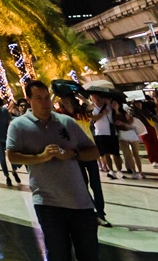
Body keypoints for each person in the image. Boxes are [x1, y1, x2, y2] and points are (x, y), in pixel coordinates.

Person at [6, 79, 101, 261]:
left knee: (89, 254)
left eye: (46, 98)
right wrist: (40, 157)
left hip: (80, 202)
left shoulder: (66, 122)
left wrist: (72, 154)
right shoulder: (19, 126)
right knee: (58, 254)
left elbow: (94, 151)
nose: (45, 103)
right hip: (48, 203)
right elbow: (12, 156)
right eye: (39, 98)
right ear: (29, 100)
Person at [57, 93, 110, 228]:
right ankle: (92, 211)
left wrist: (80, 96)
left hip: (90, 151)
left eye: (68, 101)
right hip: (76, 153)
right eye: (63, 102)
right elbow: (51, 108)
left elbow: (90, 105)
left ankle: (100, 213)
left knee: (96, 185)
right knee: (83, 185)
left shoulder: (83, 114)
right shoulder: (63, 117)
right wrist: (54, 95)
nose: (66, 103)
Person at [90, 94, 122, 179]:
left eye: (99, 97)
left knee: (116, 153)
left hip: (112, 132)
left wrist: (116, 108)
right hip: (100, 133)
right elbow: (92, 119)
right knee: (106, 153)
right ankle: (111, 170)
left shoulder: (109, 106)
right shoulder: (91, 108)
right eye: (95, 97)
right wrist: (102, 114)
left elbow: (117, 116)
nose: (97, 99)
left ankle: (119, 170)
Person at [113, 103, 145, 179]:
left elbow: (131, 124)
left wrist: (123, 123)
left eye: (115, 103)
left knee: (136, 153)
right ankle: (134, 171)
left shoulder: (125, 113)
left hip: (130, 133)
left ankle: (140, 171)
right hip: (121, 134)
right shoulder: (111, 114)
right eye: (112, 103)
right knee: (128, 155)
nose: (114, 105)